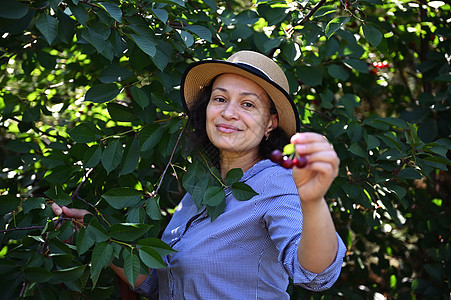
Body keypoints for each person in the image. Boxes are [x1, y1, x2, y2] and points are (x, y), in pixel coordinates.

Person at [53, 50, 346, 299]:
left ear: (270, 124)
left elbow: (315, 275)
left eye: (247, 104)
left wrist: (313, 201)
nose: (229, 112)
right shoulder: (201, 188)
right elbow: (159, 282)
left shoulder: (275, 184)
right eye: (220, 99)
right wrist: (96, 235)